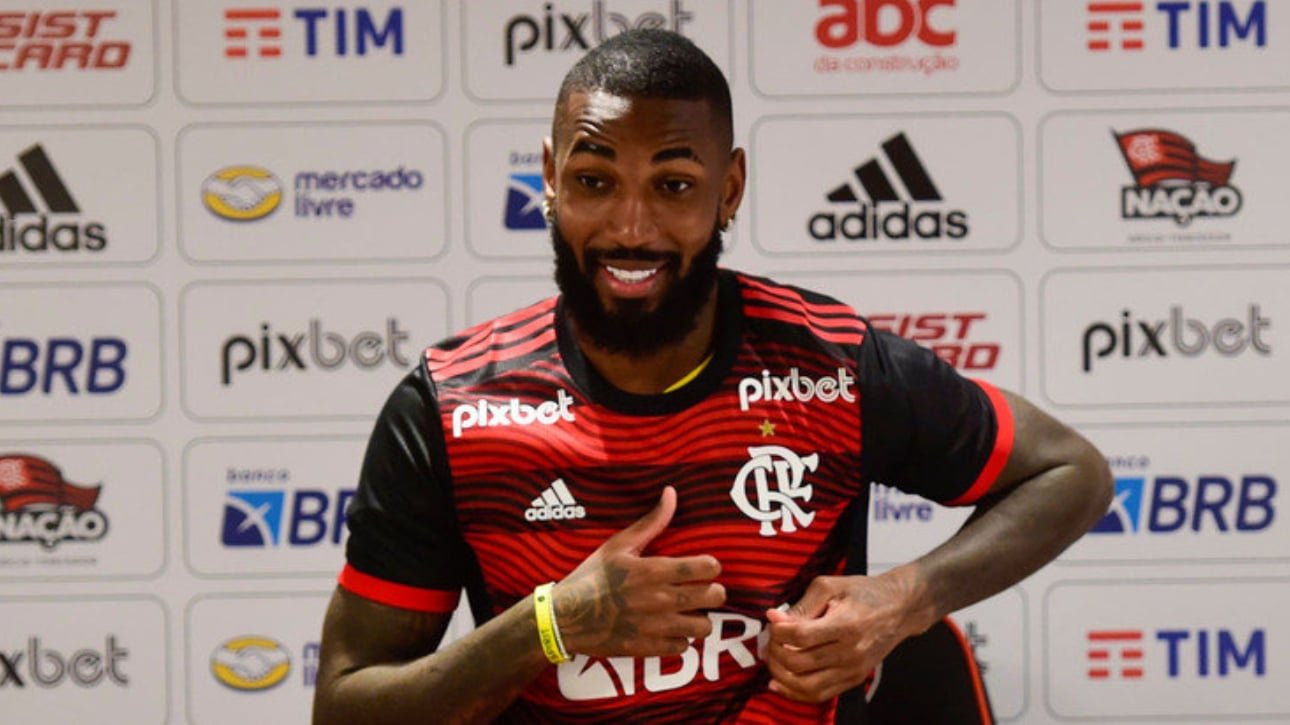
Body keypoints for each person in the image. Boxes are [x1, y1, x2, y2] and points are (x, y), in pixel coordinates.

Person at [312, 29, 1112, 724]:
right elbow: (347, 708)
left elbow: (1070, 471)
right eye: (595, 181)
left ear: (728, 190)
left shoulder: (827, 363)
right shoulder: (453, 408)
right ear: (549, 181)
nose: (632, 226)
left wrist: (908, 595)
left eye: (674, 185)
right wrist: (550, 625)